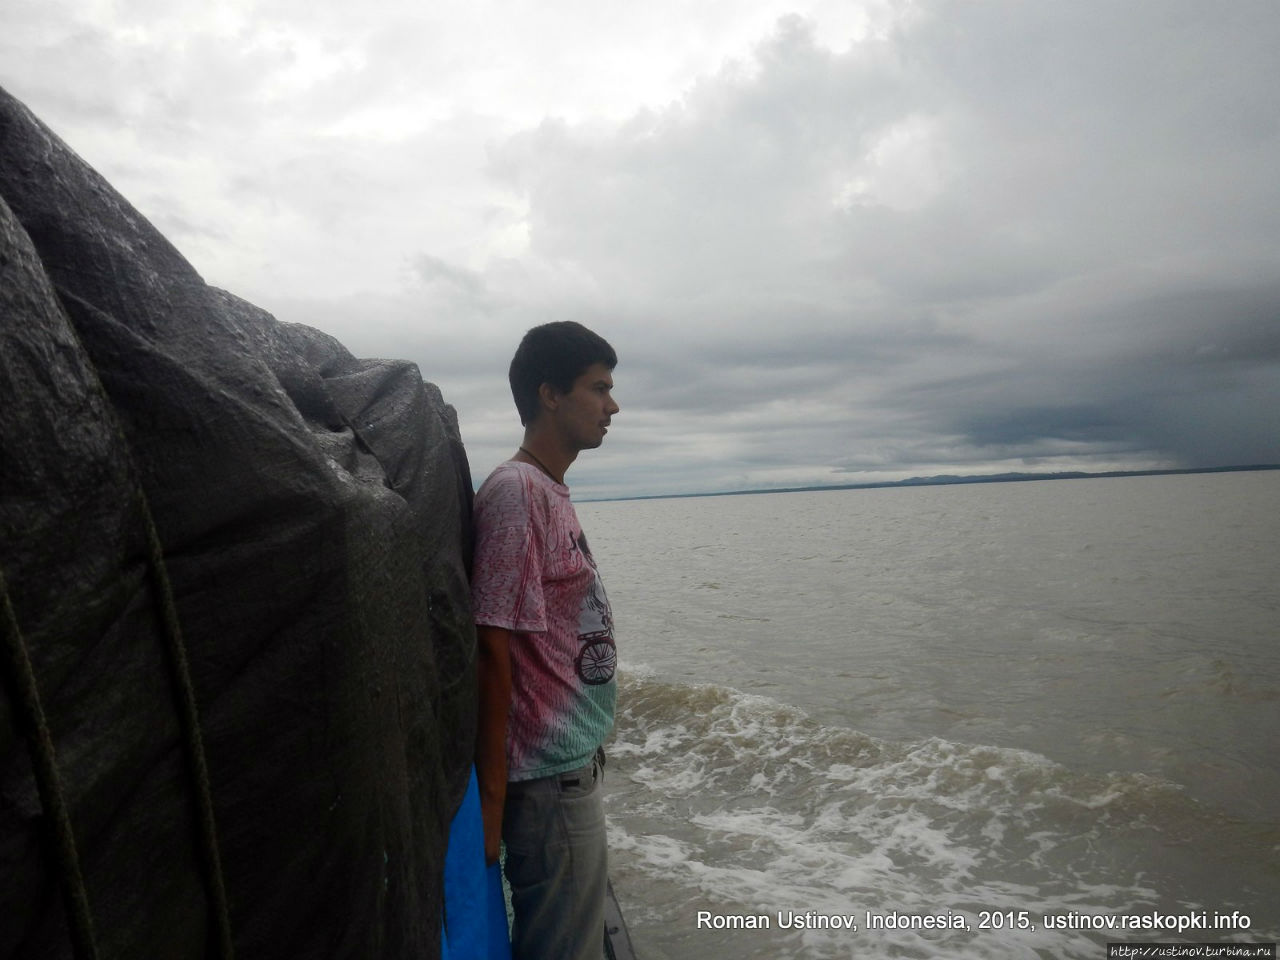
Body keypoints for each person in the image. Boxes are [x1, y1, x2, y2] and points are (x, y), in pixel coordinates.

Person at [471, 321, 621, 960]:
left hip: (567, 778)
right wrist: (492, 804)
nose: (613, 406)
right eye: (599, 388)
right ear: (549, 394)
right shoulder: (516, 493)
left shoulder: (548, 488)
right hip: (547, 786)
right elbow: (491, 647)